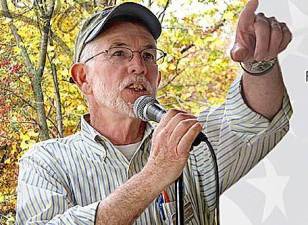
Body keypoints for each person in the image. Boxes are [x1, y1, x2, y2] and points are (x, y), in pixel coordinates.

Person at [15, 1, 293, 224]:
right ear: (83, 77)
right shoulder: (46, 161)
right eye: (119, 53)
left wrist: (259, 63)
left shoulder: (187, 142)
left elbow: (255, 119)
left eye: (148, 55)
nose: (138, 66)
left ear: (157, 79)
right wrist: (155, 174)